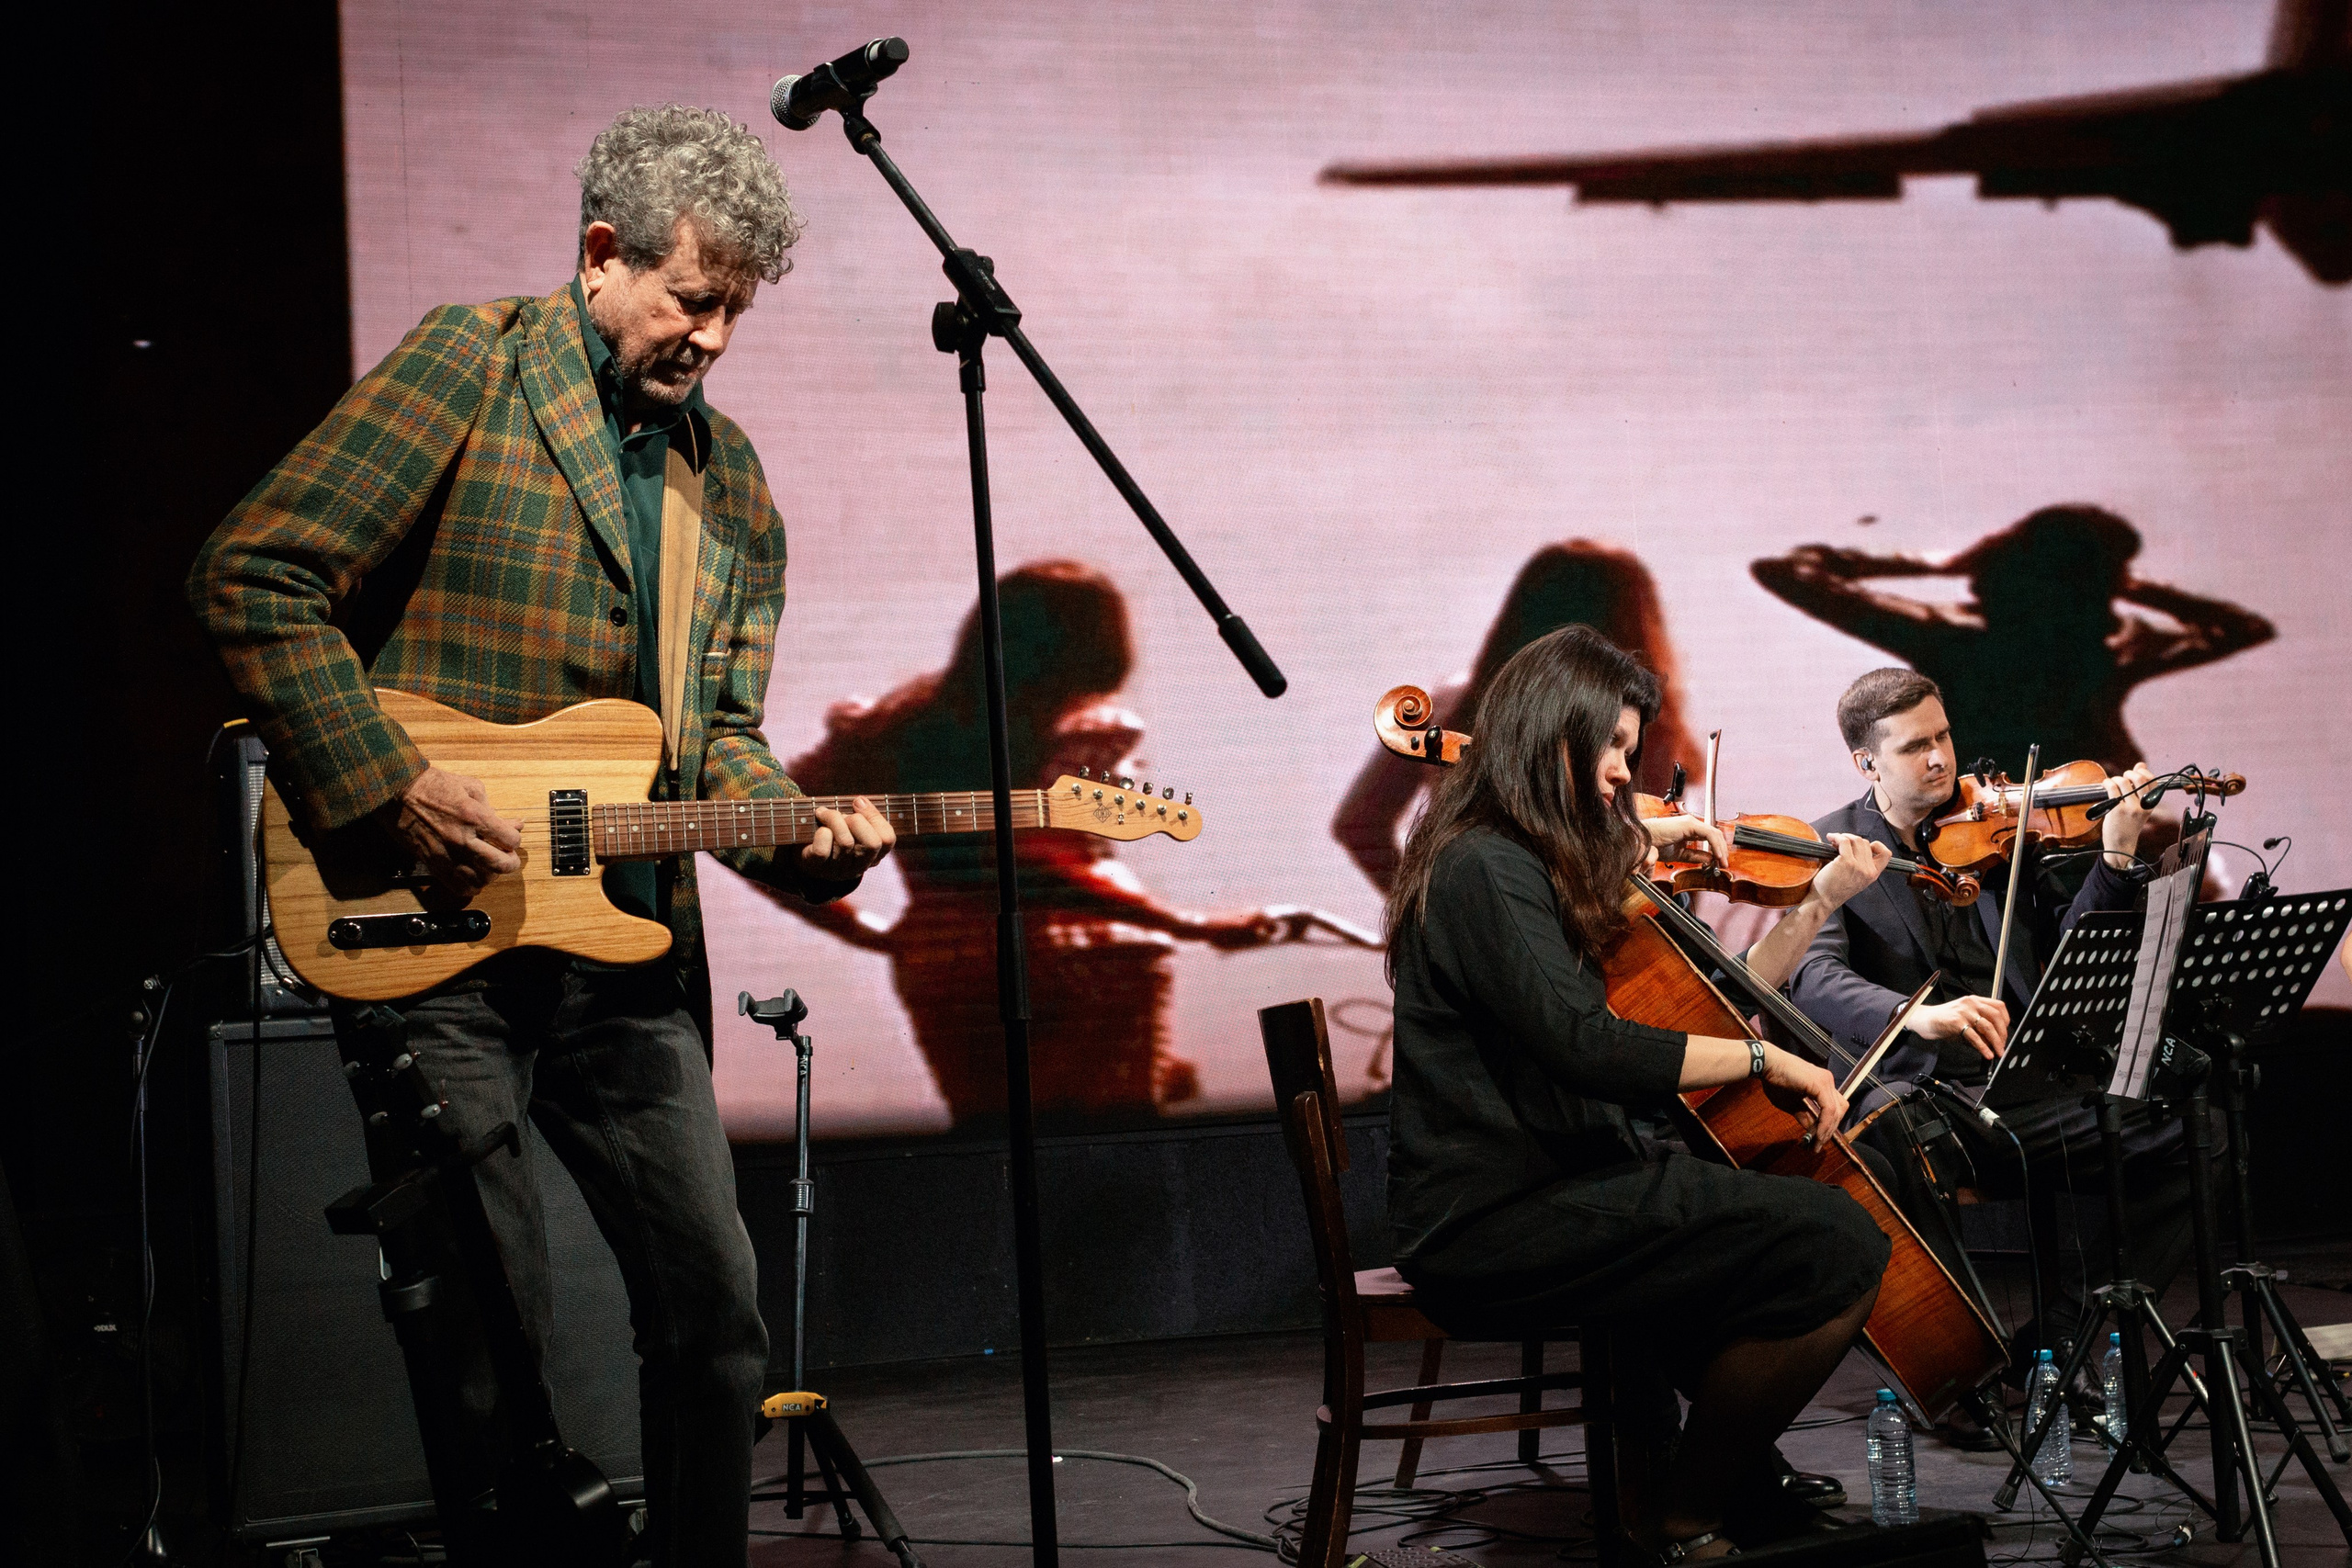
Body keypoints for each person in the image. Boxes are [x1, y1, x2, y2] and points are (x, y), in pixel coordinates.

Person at [187, 107, 896, 1566]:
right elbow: (255, 571)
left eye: (736, 310)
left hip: (628, 957)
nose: (713, 336)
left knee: (716, 1313)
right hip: (427, 937)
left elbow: (718, 749)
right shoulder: (478, 361)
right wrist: (382, 777)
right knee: (489, 1328)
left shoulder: (736, 488)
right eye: (692, 297)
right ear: (599, 253)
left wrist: (800, 835)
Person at [1385, 626, 1894, 1560]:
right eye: (1613, 748)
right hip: (1491, 1223)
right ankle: (1682, 1514)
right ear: (1554, 737)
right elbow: (1582, 1044)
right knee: (1838, 1241)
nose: (1626, 772)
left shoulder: (1502, 859)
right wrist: (1763, 1061)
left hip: (1546, 1189)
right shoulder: (1483, 870)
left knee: (1743, 1233)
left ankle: (1730, 1472)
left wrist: (1635, 842)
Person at [1784, 668, 2213, 1434]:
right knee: (1893, 1146)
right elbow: (1812, 974)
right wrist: (1916, 1016)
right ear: (1866, 762)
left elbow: (2075, 953)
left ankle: (2054, 1341)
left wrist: (2114, 863)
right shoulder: (1836, 848)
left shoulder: (2002, 833)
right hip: (1925, 1098)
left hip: (2021, 1084)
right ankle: (1956, 1370)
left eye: (1943, 736)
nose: (1942, 760)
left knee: (2199, 1130)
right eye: (1916, 746)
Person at [757, 560, 1283, 1125]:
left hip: (944, 961)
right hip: (1092, 958)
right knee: (1112, 1163)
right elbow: (1033, 864)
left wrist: (858, 927)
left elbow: (765, 832)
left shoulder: (889, 729)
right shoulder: (1080, 729)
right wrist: (1187, 924)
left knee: (996, 1152)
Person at [1750, 505, 2273, 783]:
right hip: (2089, 809)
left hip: (1995, 813)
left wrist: (1936, 562)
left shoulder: (1952, 633)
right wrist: (2136, 587)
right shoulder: (2115, 642)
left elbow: (1790, 573)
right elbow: (2244, 628)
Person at [1336, 540, 1702, 894]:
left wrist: (1435, 915)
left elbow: (1359, 823)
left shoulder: (1450, 702)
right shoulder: (1645, 727)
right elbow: (1679, 867)